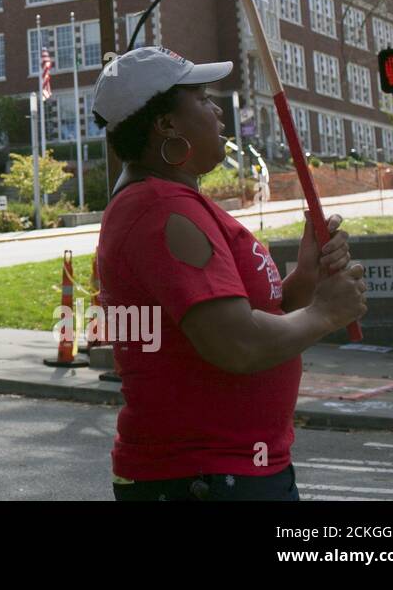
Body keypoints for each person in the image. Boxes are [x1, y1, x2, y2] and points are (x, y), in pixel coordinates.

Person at [91, 47, 367, 501]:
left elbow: (258, 315)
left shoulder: (174, 203)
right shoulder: (162, 210)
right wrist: (325, 314)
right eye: (200, 96)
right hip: (206, 478)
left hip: (228, 472)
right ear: (166, 124)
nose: (216, 109)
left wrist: (306, 278)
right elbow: (237, 344)